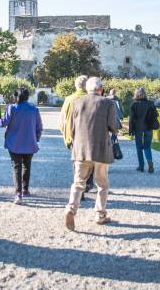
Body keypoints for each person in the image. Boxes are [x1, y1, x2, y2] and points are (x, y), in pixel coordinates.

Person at [64, 77, 118, 231]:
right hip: (100, 148)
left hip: (80, 149)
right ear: (100, 89)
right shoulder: (108, 103)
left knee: (78, 182)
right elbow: (113, 127)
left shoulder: (77, 102)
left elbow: (72, 127)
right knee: (102, 184)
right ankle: (100, 215)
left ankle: (71, 209)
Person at [0, 88, 43, 205]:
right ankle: (25, 189)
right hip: (30, 143)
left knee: (16, 167)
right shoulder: (34, 109)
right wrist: (36, 139)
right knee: (27, 166)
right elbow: (39, 127)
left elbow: (4, 122)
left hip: (14, 143)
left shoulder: (12, 108)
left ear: (16, 96)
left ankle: (18, 193)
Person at [129, 87, 158, 173]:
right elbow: (155, 114)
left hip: (138, 129)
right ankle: (150, 163)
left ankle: (141, 166)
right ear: (144, 94)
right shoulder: (150, 103)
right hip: (148, 127)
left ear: (136, 94)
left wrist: (131, 130)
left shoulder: (134, 104)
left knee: (138, 147)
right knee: (147, 146)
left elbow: (132, 119)